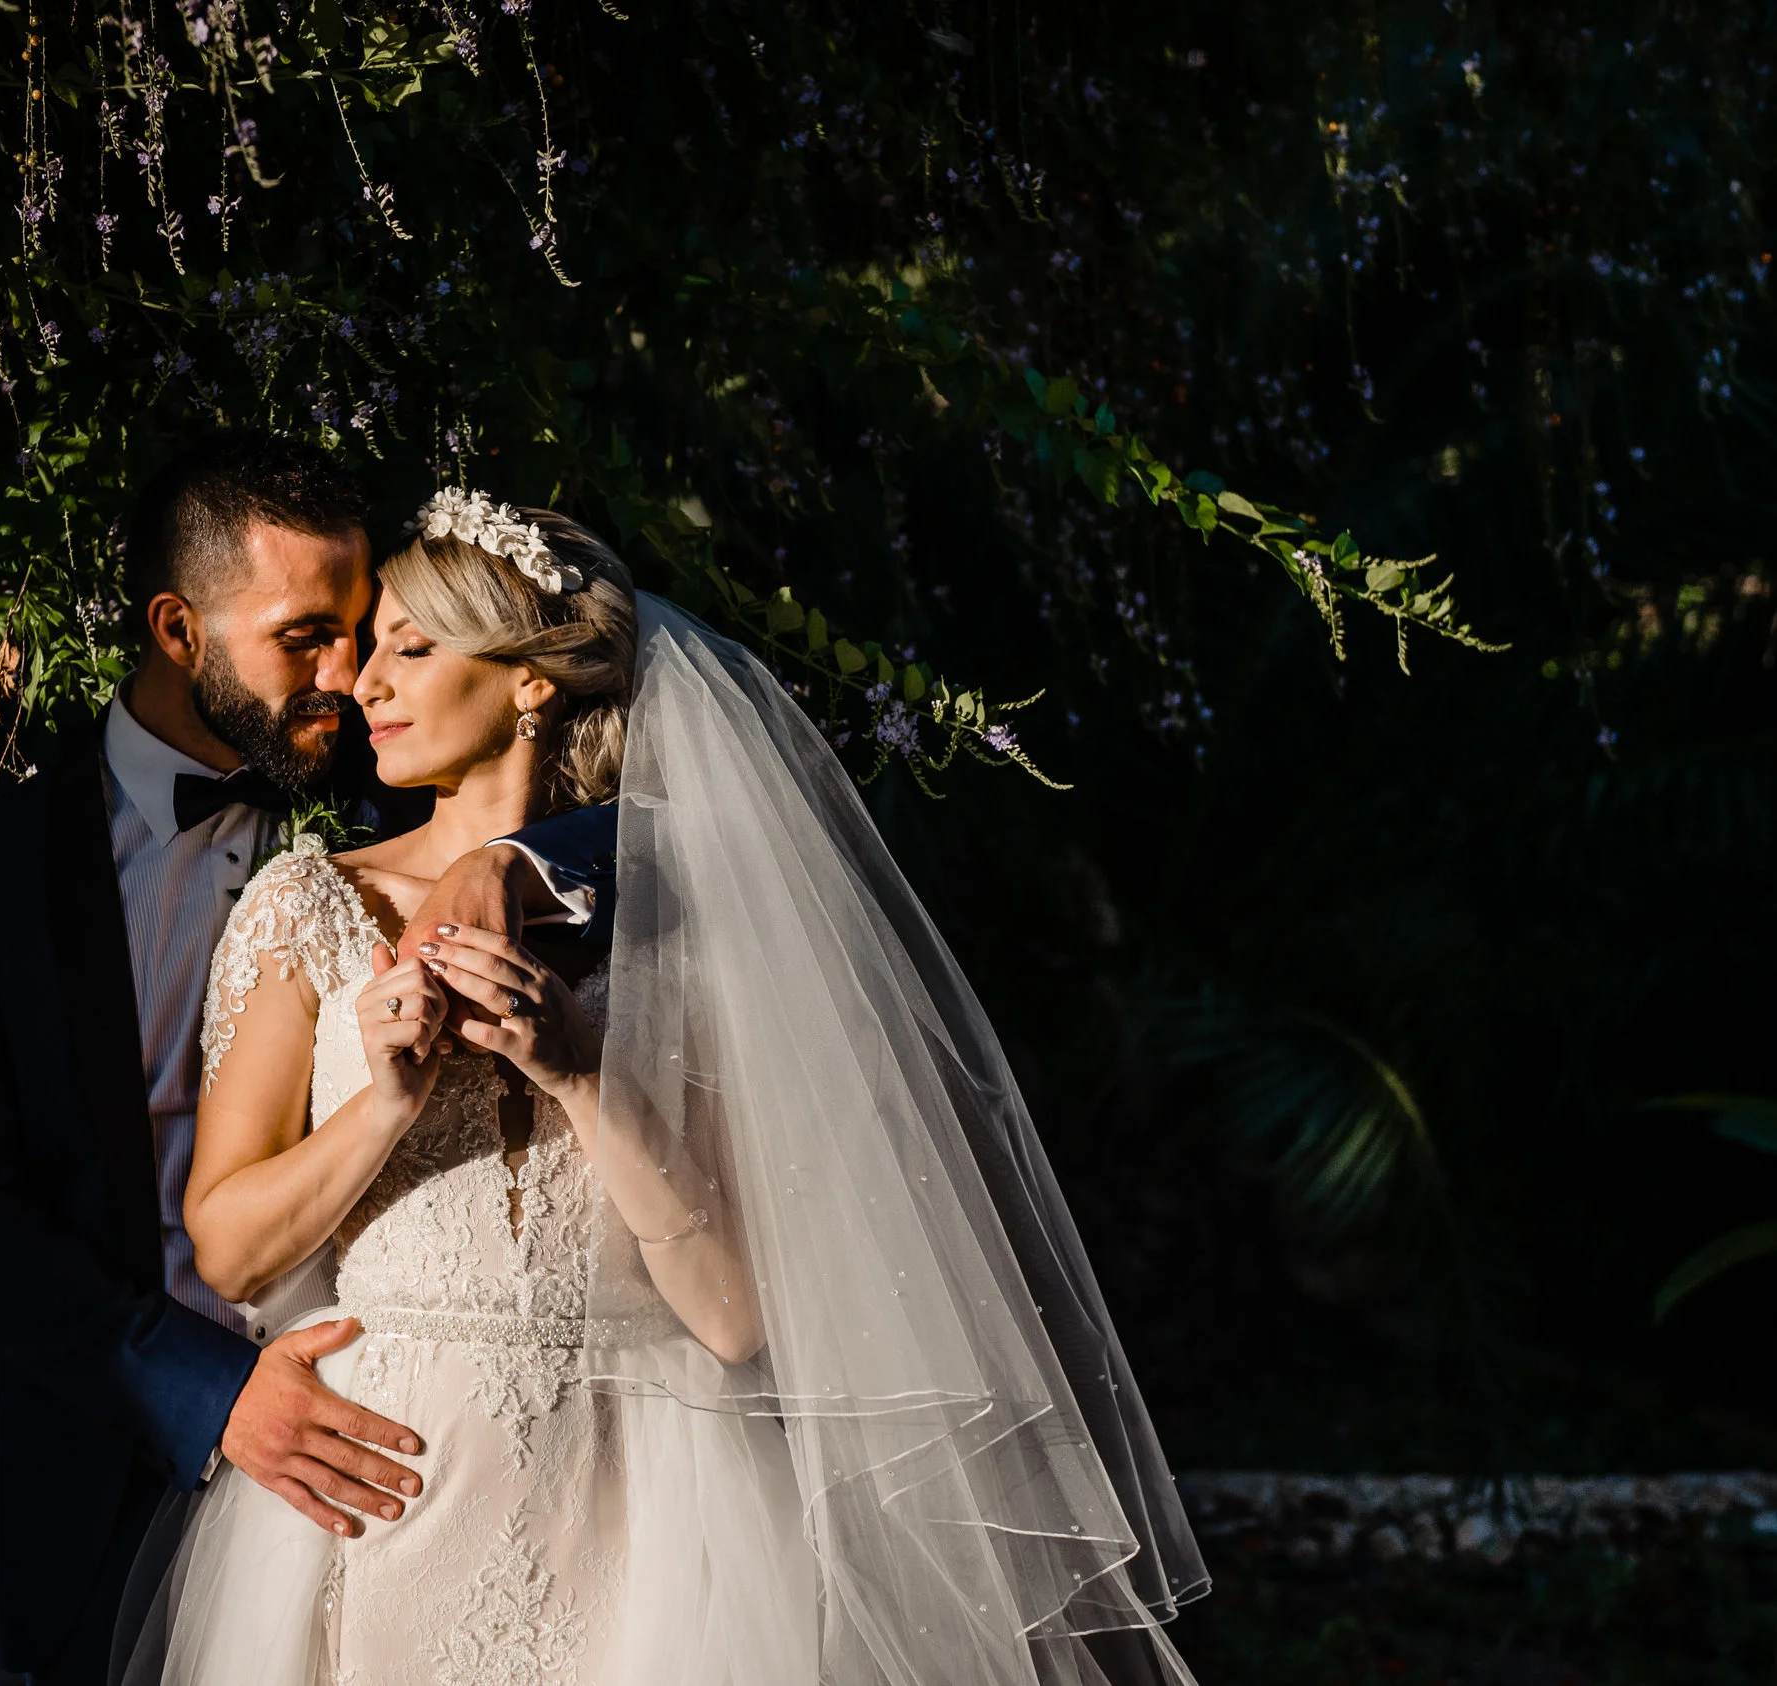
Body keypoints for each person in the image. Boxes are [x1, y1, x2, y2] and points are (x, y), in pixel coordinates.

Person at [134, 492, 1209, 1686]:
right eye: (372, 644)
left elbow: (735, 1315)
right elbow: (227, 1250)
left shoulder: (681, 925)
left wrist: (581, 1078)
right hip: (385, 1481)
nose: (366, 681)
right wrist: (381, 1102)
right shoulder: (309, 907)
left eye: (412, 647)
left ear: (531, 683)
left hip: (649, 1500)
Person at [0, 436, 617, 1686]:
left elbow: (655, 806)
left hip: (412, 1457)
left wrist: (520, 862)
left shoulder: (394, 784)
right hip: (102, 1445)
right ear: (179, 631)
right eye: (304, 640)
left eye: (364, 631)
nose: (351, 672)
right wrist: (209, 1394)